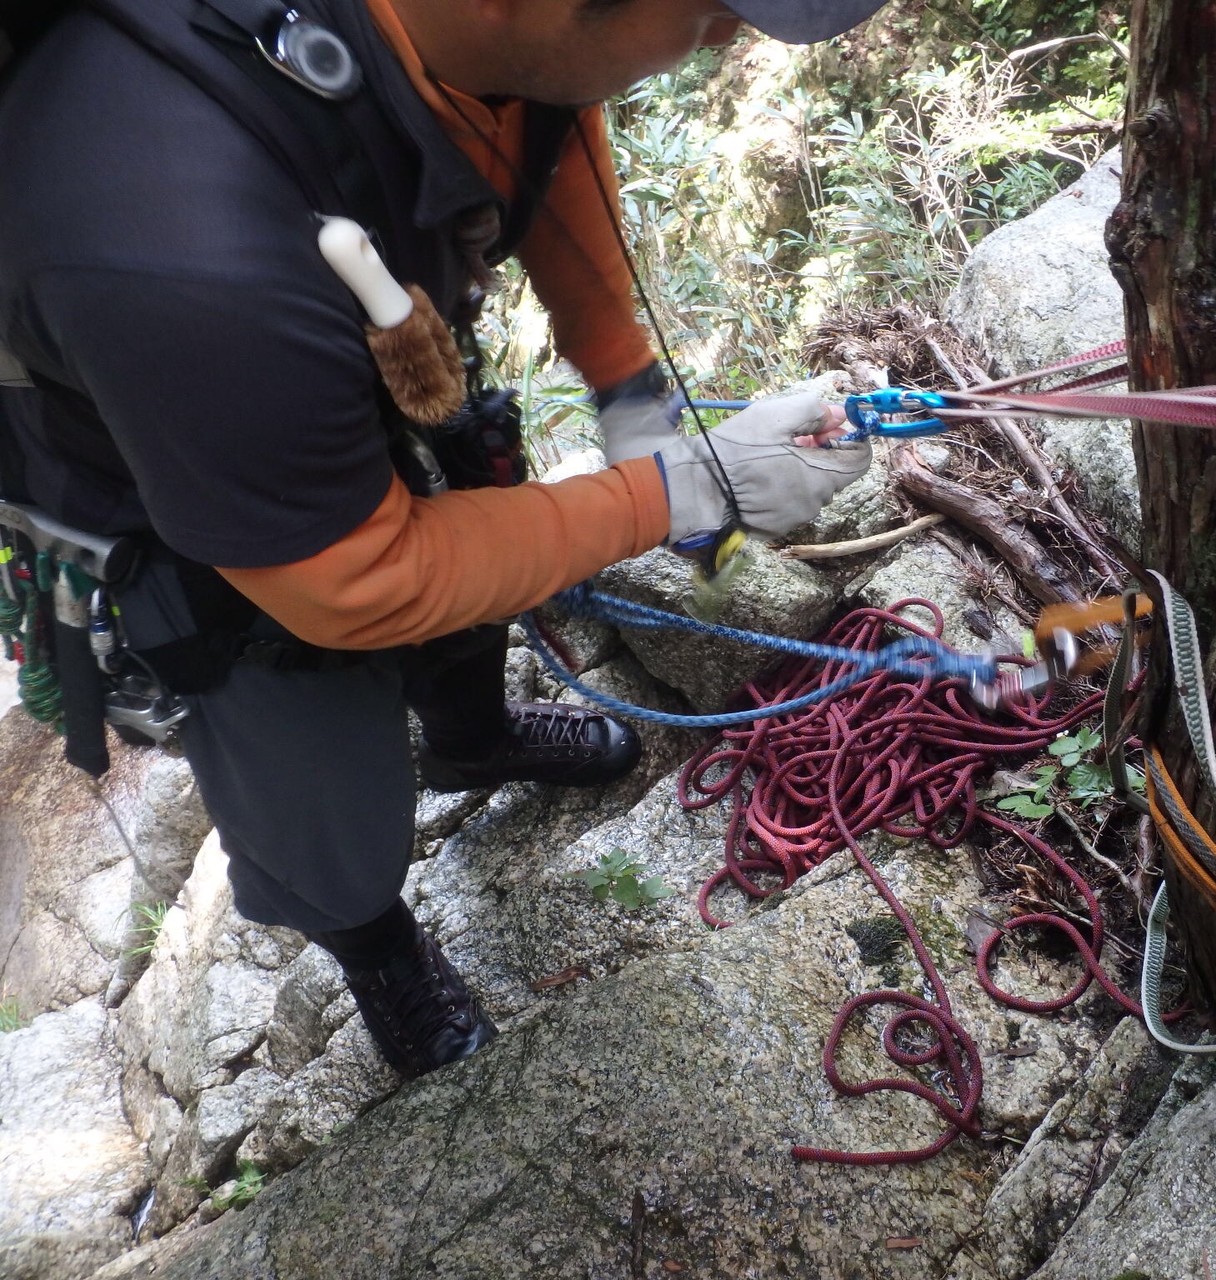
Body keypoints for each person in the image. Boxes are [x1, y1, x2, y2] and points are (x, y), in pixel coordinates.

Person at [0, 0, 887, 1079]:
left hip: (351, 372)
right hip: (181, 497)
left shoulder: (480, 38)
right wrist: (677, 491)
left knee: (477, 533)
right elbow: (355, 582)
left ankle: (470, 736)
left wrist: (624, 379)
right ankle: (372, 941)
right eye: (712, 8)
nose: (725, 39)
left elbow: (545, 114)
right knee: (307, 758)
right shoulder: (173, 241)